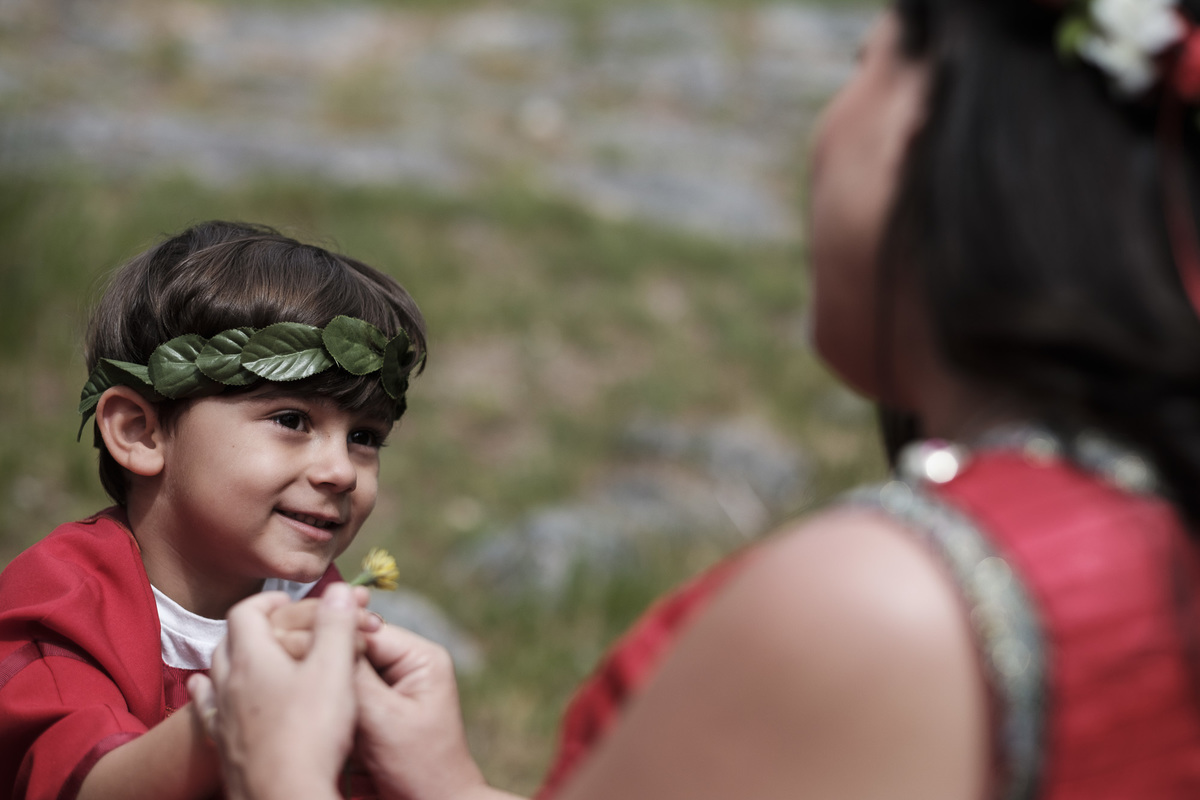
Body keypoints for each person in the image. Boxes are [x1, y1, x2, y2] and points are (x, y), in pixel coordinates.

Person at [195, 0, 1200, 797]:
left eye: (864, 62)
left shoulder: (890, 604)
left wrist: (276, 770)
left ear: (946, 129)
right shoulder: (1152, 533)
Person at [0, 221, 426, 800]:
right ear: (140, 432)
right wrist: (227, 718)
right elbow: (78, 782)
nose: (342, 471)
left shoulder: (323, 612)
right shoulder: (61, 611)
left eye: (366, 437)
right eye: (292, 420)